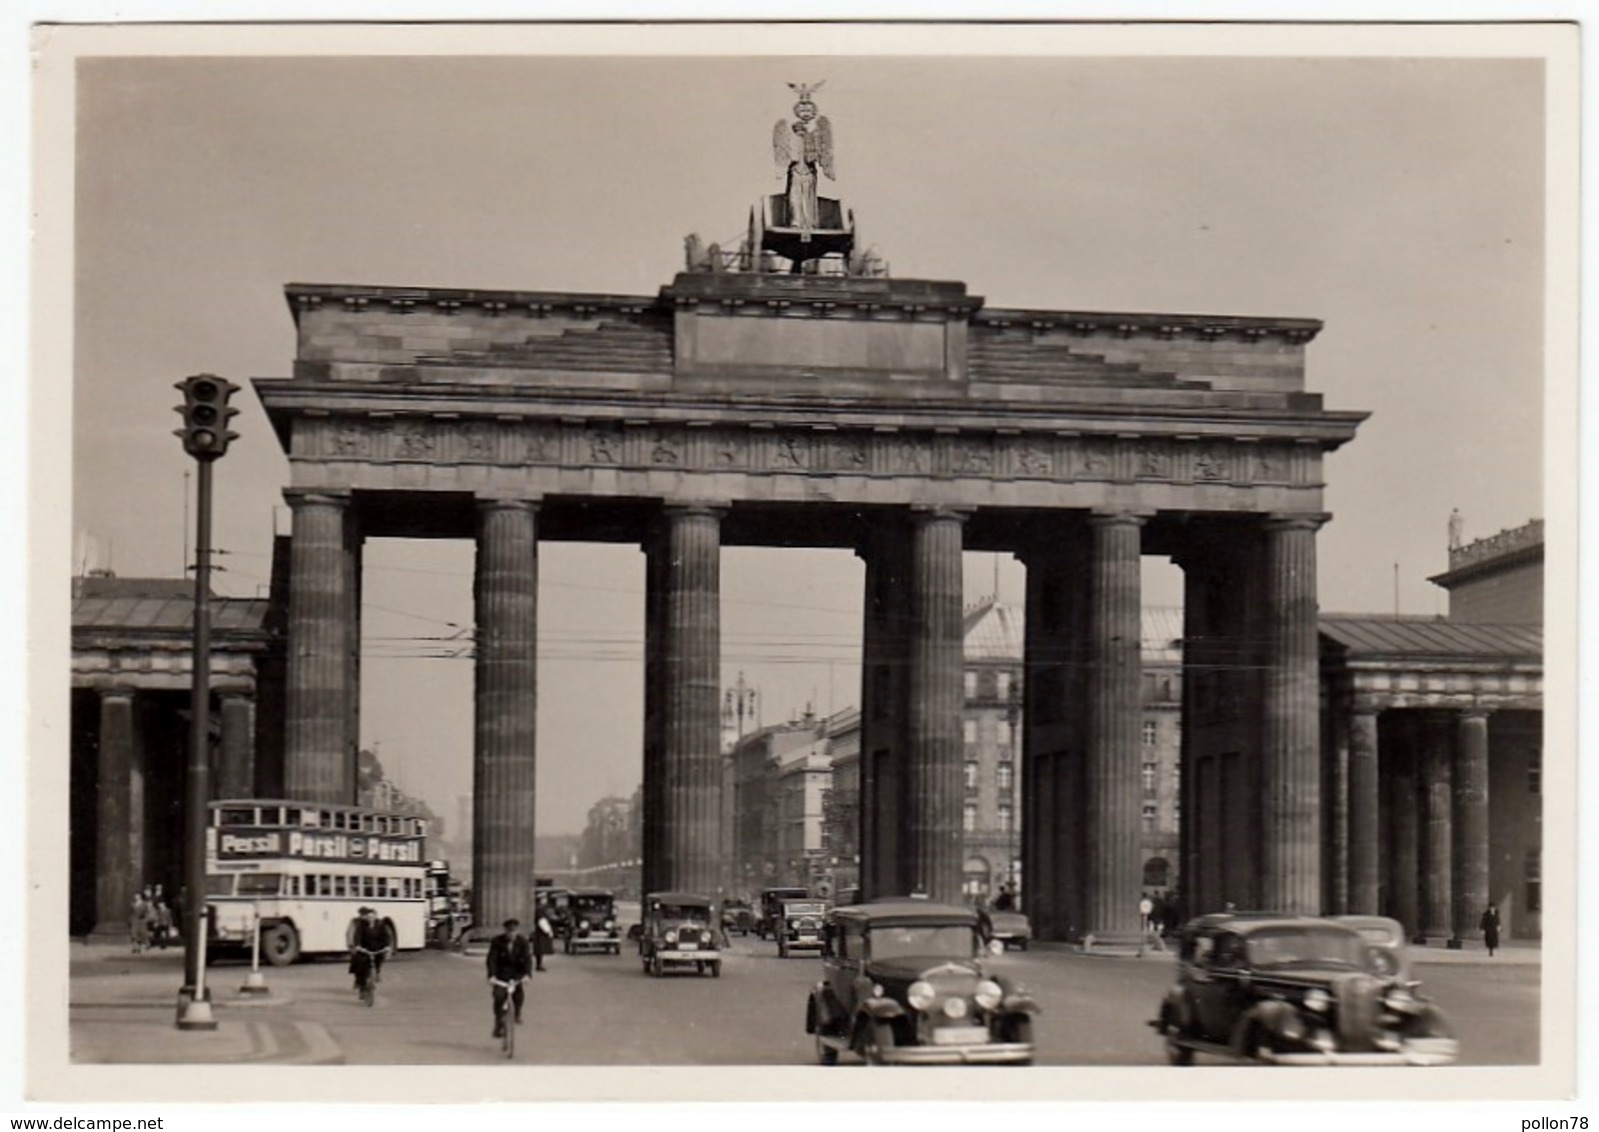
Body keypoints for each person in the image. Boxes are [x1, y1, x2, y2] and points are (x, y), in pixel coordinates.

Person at [486, 918, 533, 1038]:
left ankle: (517, 1014)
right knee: (499, 996)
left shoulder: (523, 942)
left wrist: (527, 975)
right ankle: (498, 1022)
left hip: (516, 974)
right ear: (505, 931)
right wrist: (492, 976)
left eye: (514, 931)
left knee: (519, 995)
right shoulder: (497, 941)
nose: (511, 934)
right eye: (509, 931)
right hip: (501, 975)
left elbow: (527, 959)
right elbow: (492, 959)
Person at [346, 906, 394, 993]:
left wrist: (387, 946)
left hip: (377, 947)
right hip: (364, 948)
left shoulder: (381, 924)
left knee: (379, 958)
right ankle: (360, 982)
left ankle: (377, 973)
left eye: (372, 916)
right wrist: (356, 946)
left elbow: (386, 936)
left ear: (375, 916)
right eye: (368, 916)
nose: (369, 918)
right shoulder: (360, 925)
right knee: (360, 963)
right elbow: (356, 936)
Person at [129, 888, 152, 954]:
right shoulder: (132, 904)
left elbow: (147, 912)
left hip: (141, 921)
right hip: (134, 920)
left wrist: (146, 919)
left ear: (140, 896)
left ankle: (140, 947)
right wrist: (130, 920)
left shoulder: (144, 904)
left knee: (142, 934)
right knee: (134, 934)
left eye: (137, 896)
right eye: (135, 896)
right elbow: (131, 913)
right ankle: (135, 948)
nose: (136, 897)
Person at [532, 904, 554, 972]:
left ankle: (539, 965)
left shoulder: (539, 917)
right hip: (541, 936)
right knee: (540, 951)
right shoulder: (541, 918)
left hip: (538, 936)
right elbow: (544, 926)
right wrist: (549, 933)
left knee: (539, 951)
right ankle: (539, 965)